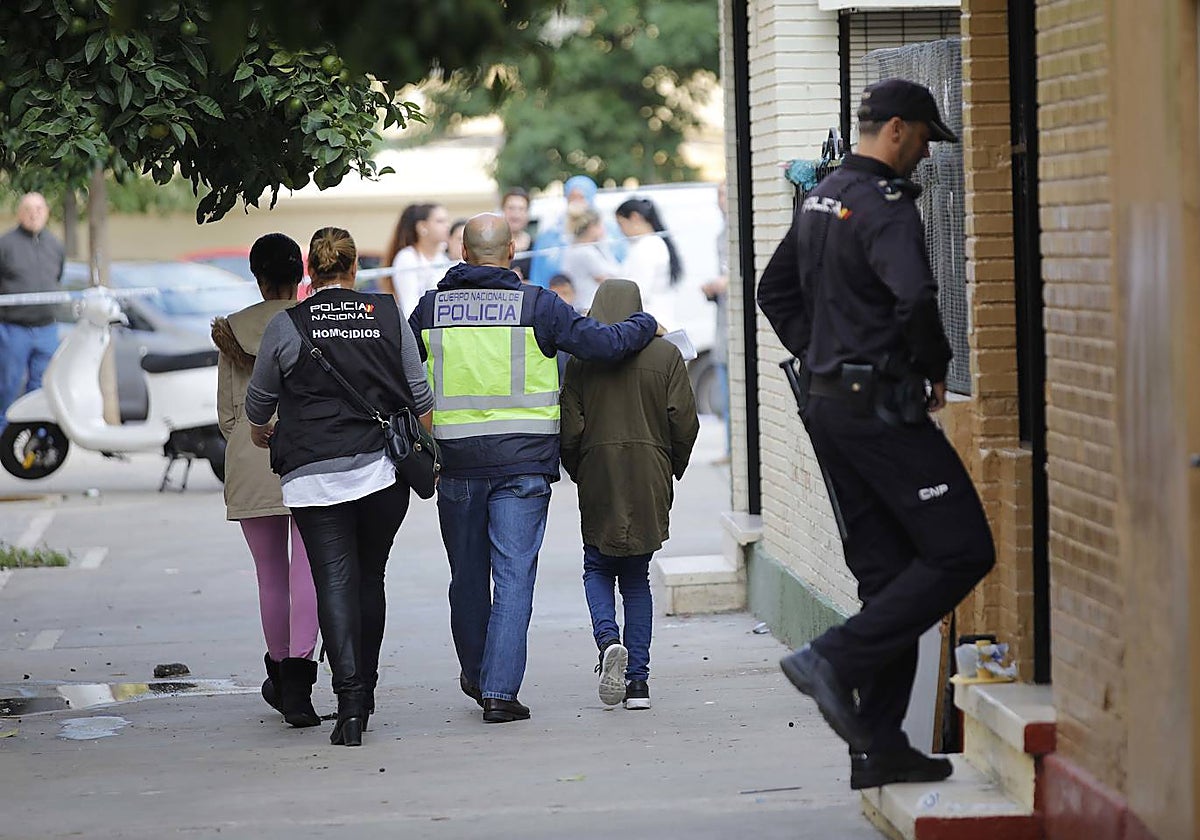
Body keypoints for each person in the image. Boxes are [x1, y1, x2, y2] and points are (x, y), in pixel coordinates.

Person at [756, 79, 995, 790]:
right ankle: (833, 658)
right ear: (896, 128)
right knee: (962, 550)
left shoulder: (822, 197)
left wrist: (824, 355)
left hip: (830, 408)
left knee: (890, 576)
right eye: (924, 137)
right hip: (880, 411)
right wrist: (932, 370)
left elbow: (775, 293)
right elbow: (916, 295)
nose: (925, 153)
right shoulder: (883, 204)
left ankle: (879, 745)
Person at [408, 213, 659, 724]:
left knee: (467, 579)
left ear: (462, 253)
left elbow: (403, 376)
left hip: (455, 465)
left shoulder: (431, 309)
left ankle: (477, 674)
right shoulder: (537, 305)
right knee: (515, 576)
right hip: (522, 466)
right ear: (512, 250)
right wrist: (644, 324)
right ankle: (499, 692)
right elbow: (603, 346)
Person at [246, 227, 435, 747]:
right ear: (355, 270)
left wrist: (265, 433)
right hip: (382, 471)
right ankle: (362, 699)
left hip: (313, 476)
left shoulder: (287, 325)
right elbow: (420, 395)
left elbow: (258, 405)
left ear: (311, 271)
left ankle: (347, 704)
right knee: (370, 576)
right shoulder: (388, 314)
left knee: (334, 579)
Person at [560, 279, 699, 711]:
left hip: (600, 472)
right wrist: (670, 465)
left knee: (597, 566)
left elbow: (570, 428)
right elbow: (685, 422)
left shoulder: (583, 361)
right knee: (637, 579)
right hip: (649, 472)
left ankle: (608, 642)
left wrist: (578, 468)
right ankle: (638, 684)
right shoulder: (667, 356)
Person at [212, 234, 320, 728]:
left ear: (256, 276)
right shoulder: (310, 320)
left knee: (271, 575)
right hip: (307, 454)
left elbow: (228, 417)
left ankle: (277, 672)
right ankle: (300, 680)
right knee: (309, 571)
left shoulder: (232, 331)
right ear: (301, 275)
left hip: (250, 461)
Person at [0, 192, 65, 422]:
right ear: (19, 213)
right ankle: (3, 440)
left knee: (40, 390)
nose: (34, 214)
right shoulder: (5, 245)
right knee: (7, 387)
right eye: (28, 209)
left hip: (47, 329)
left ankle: (31, 444)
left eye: (39, 209)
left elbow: (58, 276)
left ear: (47, 212)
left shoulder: (55, 245)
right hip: (13, 330)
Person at [615, 197, 682, 330]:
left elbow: (638, 291)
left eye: (621, 224)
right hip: (656, 320)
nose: (621, 231)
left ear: (634, 218)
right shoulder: (651, 243)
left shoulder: (646, 247)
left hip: (650, 323)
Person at [701, 182, 731, 463]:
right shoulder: (721, 233)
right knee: (725, 392)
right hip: (723, 324)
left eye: (724, 193)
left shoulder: (738, 229)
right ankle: (730, 447)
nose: (720, 201)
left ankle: (734, 448)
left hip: (735, 327)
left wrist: (724, 284)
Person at [382, 202, 452, 318]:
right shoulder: (407, 258)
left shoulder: (443, 258)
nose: (447, 226)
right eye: (440, 221)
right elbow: (409, 305)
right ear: (422, 227)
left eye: (447, 220)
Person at [560, 208, 618, 312]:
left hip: (584, 306)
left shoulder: (574, 249)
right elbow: (608, 278)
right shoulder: (585, 252)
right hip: (589, 306)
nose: (603, 229)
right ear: (591, 227)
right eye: (600, 225)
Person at [500, 188, 533, 280]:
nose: (516, 214)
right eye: (511, 208)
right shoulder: (493, 245)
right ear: (503, 211)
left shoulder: (537, 246)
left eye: (521, 209)